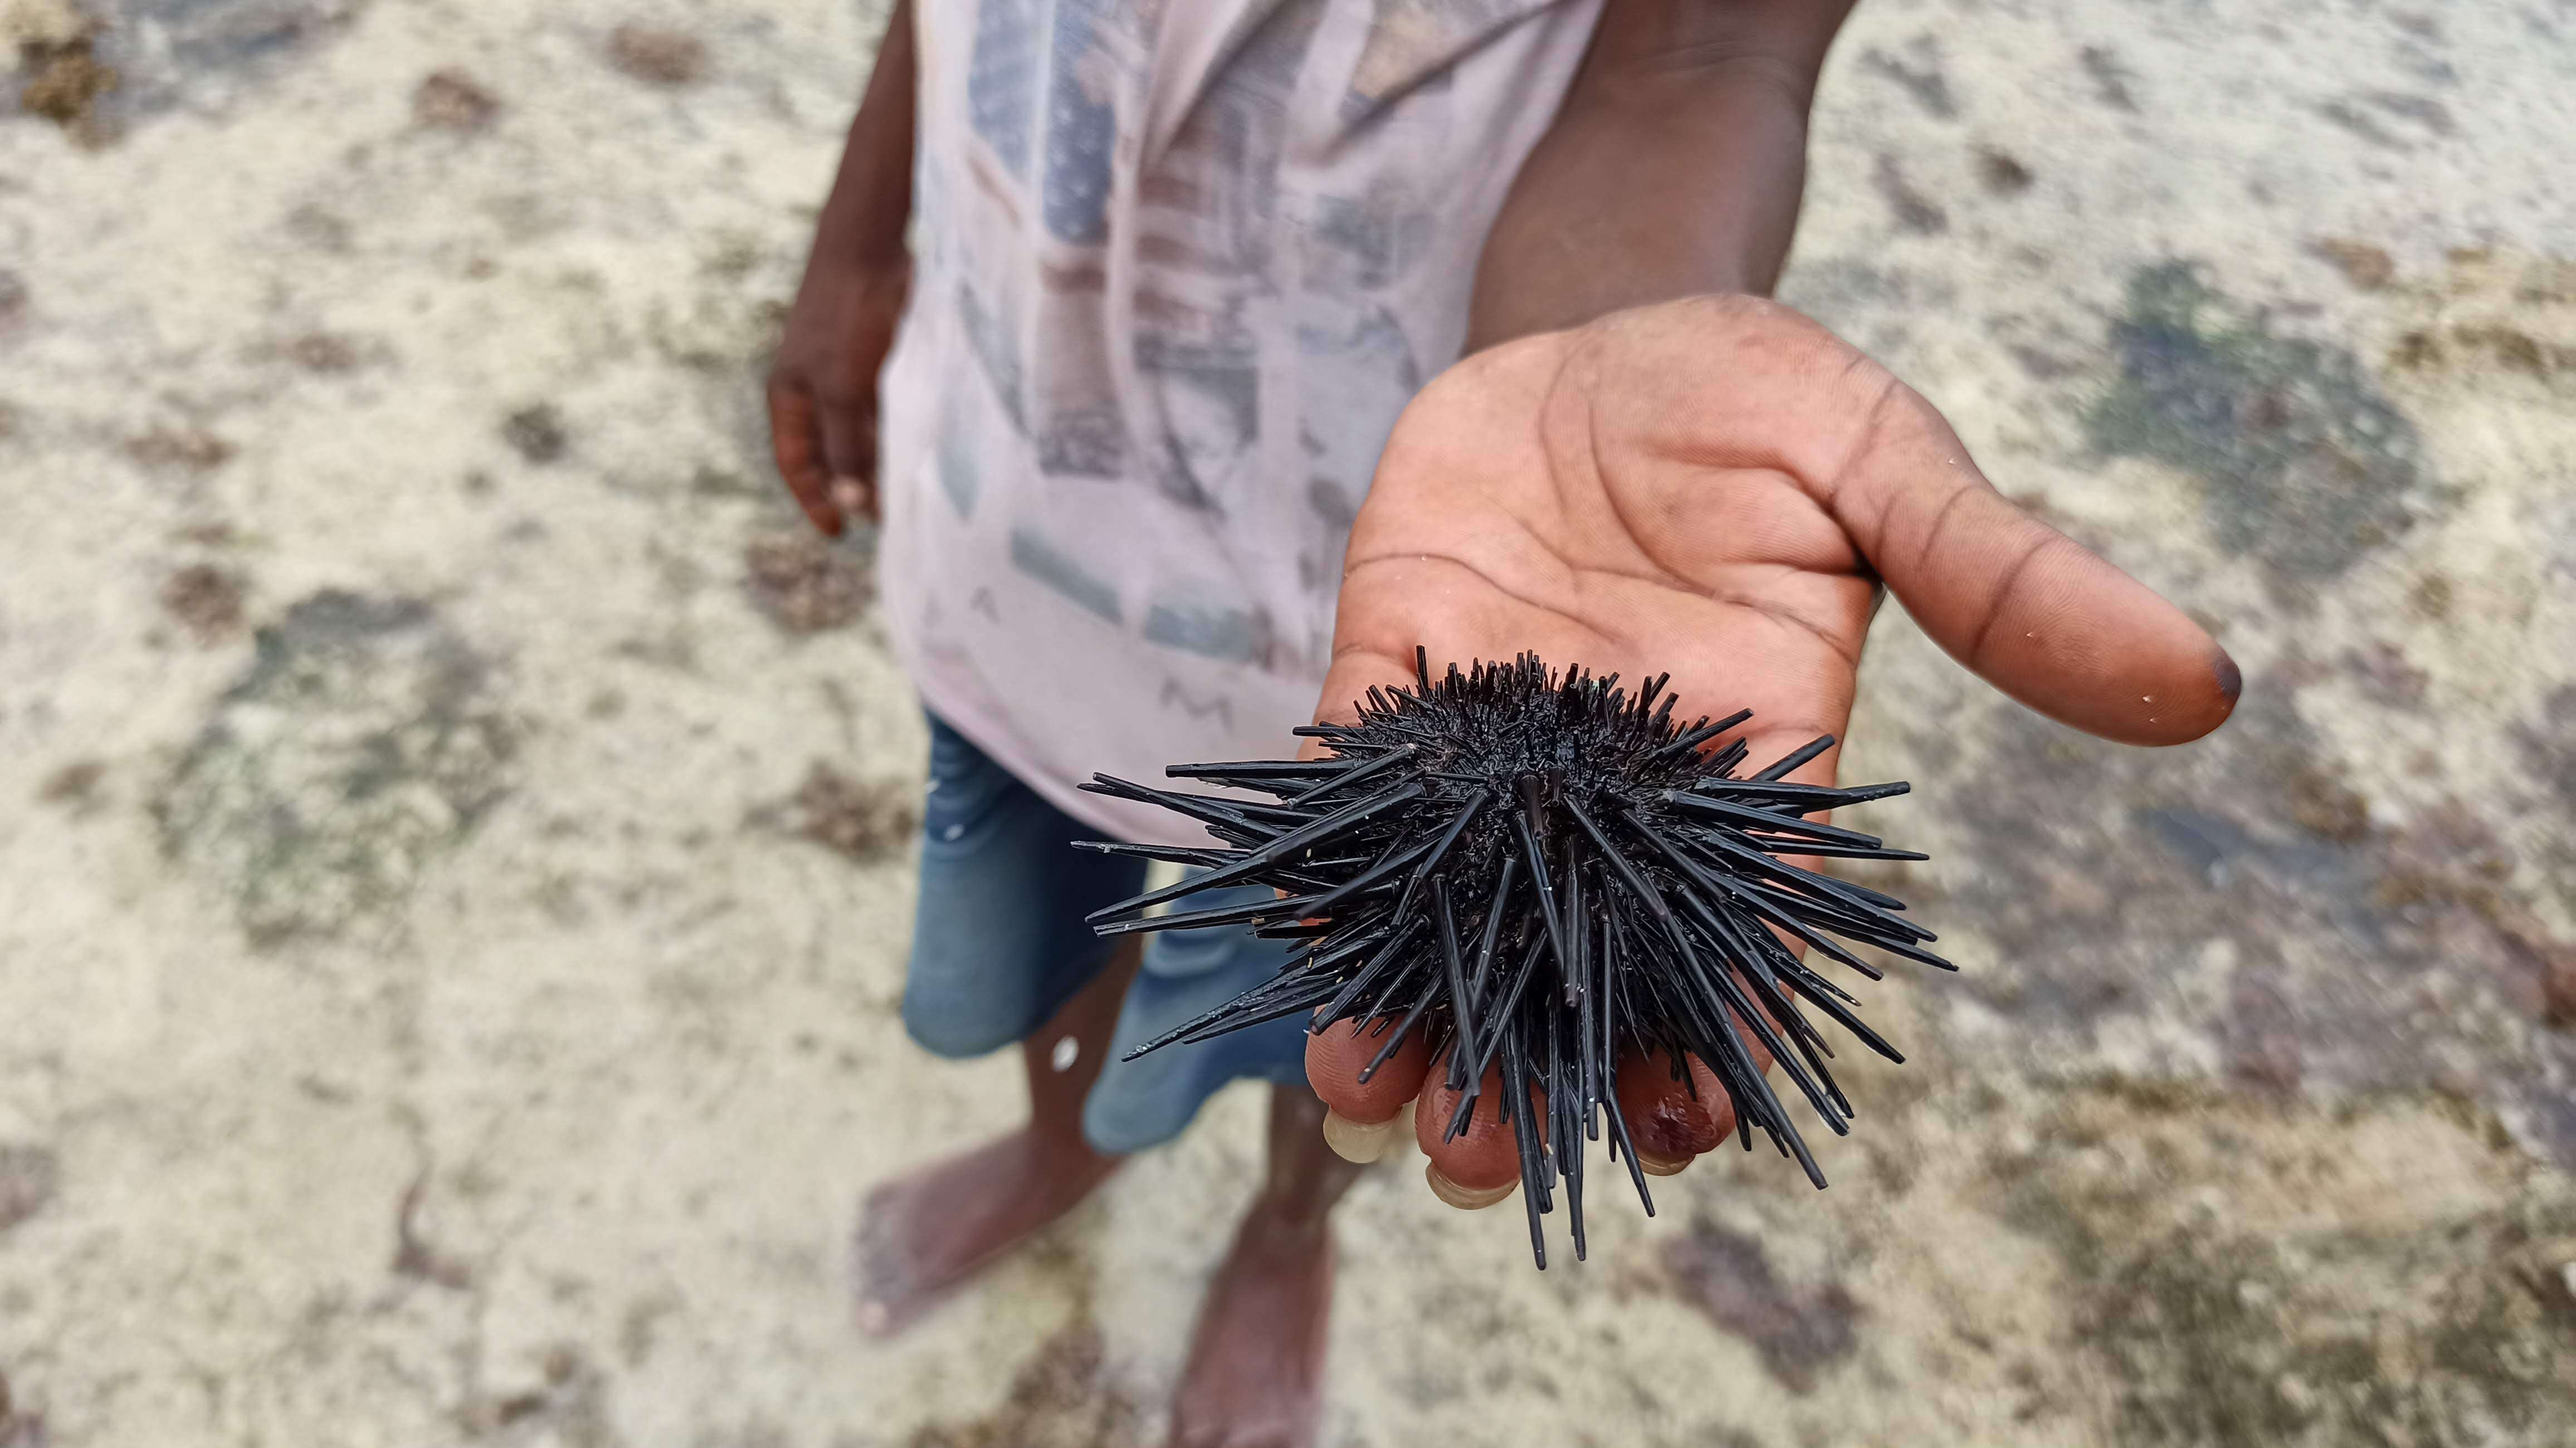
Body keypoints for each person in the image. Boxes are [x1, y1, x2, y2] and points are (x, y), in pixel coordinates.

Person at [767, 1, 2238, 1442]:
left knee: (1350, 1025)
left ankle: (1289, 1231)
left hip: (1382, 586)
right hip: (1006, 507)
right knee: (1069, 906)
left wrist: (1617, 351)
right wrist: (855, 235)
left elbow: (1704, 47)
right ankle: (1063, 1145)